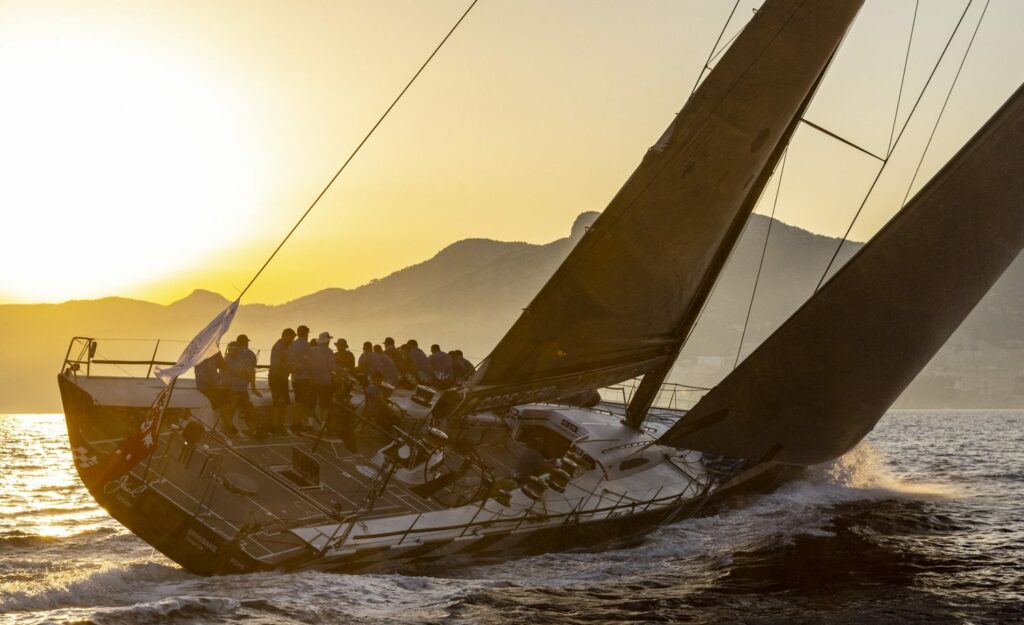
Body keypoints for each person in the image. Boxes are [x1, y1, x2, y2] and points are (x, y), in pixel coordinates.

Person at [223, 341, 265, 437]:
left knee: (249, 409)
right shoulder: (226, 361)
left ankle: (254, 430)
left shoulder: (241, 360)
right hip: (231, 391)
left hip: (242, 390)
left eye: (236, 350)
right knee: (231, 408)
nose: (234, 351)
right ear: (229, 350)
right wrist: (242, 371)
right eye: (232, 349)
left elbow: (250, 372)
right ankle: (229, 429)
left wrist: (253, 387)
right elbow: (232, 372)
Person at [268, 328, 295, 435]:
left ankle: (280, 425)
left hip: (282, 378)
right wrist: (290, 367)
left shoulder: (285, 347)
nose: (292, 340)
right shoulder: (278, 347)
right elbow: (276, 364)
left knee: (283, 403)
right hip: (276, 378)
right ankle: (275, 427)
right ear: (285, 336)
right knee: (278, 403)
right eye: (291, 338)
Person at [288, 325, 313, 432]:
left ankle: (295, 423)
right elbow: (310, 361)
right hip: (305, 377)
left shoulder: (292, 344)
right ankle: (297, 424)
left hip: (295, 377)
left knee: (298, 401)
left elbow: (289, 359)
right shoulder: (307, 345)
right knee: (302, 402)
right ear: (306, 333)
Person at [309, 331, 337, 427]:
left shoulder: (312, 350)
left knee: (311, 404)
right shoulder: (329, 352)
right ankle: (323, 427)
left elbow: (308, 364)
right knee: (325, 405)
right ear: (327, 341)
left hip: (313, 381)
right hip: (325, 382)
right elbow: (332, 367)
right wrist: (343, 370)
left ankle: (310, 425)